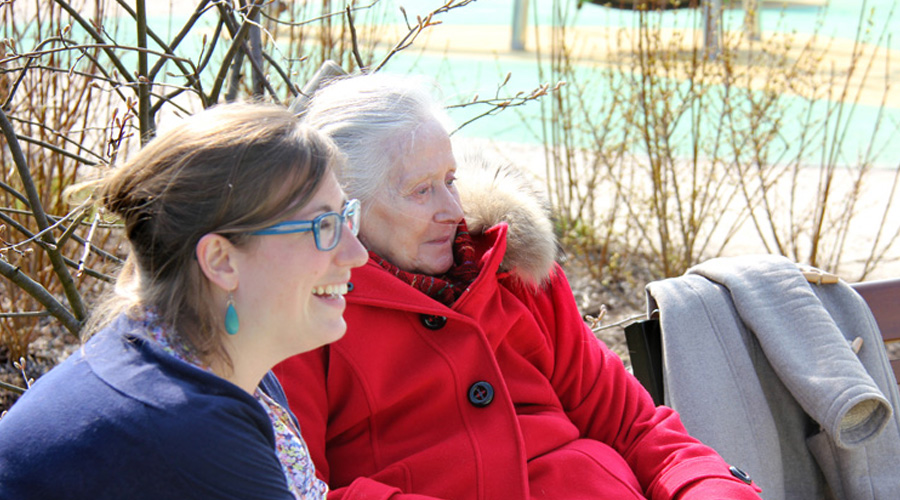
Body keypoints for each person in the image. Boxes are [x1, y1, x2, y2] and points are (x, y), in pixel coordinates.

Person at [274, 73, 763, 499]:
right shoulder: (307, 316)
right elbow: (298, 490)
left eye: (450, 179)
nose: (452, 209)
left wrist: (710, 487)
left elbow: (634, 426)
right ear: (346, 205)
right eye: (421, 190)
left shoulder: (517, 278)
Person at [0, 103, 369, 499]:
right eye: (323, 226)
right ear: (220, 261)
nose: (356, 253)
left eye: (346, 216)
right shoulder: (191, 430)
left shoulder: (211, 368)